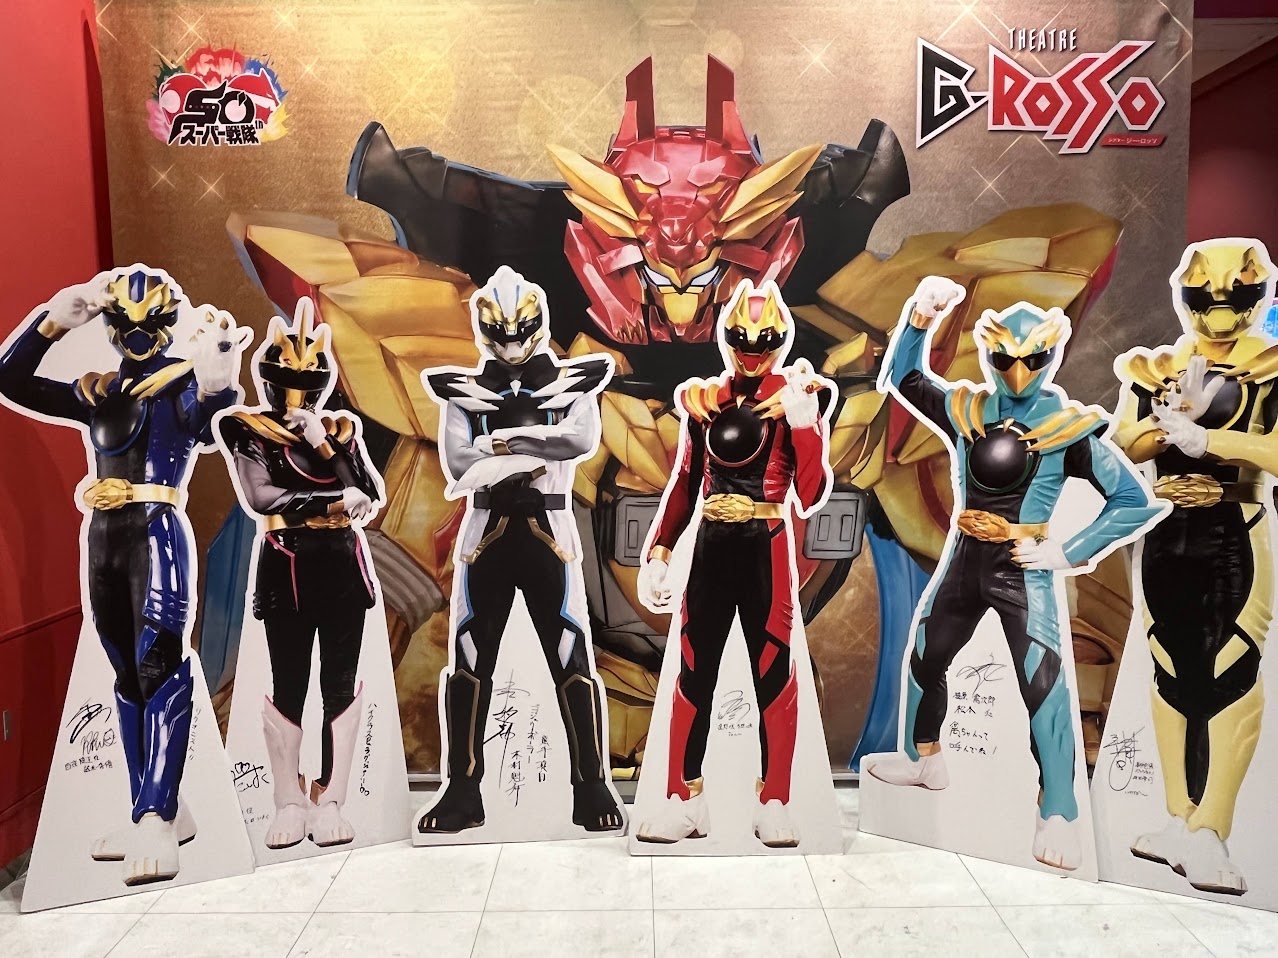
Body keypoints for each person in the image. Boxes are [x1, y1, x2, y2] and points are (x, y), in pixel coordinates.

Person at [868, 277, 1164, 871]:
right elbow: (905, 378)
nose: (1019, 372)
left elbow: (1133, 501)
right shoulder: (971, 410)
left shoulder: (1065, 427)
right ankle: (924, 758)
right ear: (989, 355)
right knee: (925, 653)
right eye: (1005, 359)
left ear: (1052, 356)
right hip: (965, 557)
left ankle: (1059, 809)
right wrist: (920, 315)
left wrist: (1067, 551)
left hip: (1021, 568)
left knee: (1042, 682)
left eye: (1033, 359)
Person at [0, 270, 249, 885]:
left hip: (157, 533)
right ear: (110, 325)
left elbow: (209, 416)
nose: (137, 335)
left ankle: (157, 817)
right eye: (124, 323)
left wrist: (218, 376)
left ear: (167, 325)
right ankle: (153, 807)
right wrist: (52, 322)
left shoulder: (179, 384)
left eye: (149, 324)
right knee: (126, 674)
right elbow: (11, 380)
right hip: (107, 539)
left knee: (159, 663)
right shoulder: (99, 392)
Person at [417, 266, 622, 834]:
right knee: (470, 654)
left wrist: (505, 442)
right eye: (500, 333)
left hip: (548, 527)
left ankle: (591, 785)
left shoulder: (571, 385)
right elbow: (459, 461)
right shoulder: (464, 393)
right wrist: (531, 449)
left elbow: (580, 439)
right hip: (486, 528)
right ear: (485, 332)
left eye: (519, 332)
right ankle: (463, 790)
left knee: (569, 650)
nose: (510, 344)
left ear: (536, 325)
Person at [635, 280, 834, 848]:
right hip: (712, 547)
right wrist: (660, 550)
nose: (752, 351)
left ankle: (774, 801)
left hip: (765, 546)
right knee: (693, 670)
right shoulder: (705, 402)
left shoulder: (796, 398)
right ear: (726, 339)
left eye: (763, 341)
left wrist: (804, 425)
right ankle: (683, 799)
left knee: (772, 670)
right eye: (742, 340)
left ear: (779, 340)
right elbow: (685, 481)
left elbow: (811, 493)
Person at [1114, 239, 1278, 895]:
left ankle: (1212, 829)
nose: (1219, 308)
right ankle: (1180, 820)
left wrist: (1212, 440)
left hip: (1234, 530)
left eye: (1234, 295)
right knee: (1170, 673)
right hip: (1167, 531)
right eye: (1207, 296)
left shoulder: (1270, 366)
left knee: (1231, 671)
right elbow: (1125, 440)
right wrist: (1167, 427)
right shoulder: (1160, 366)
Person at [218, 298, 382, 850]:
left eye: (307, 385)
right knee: (289, 683)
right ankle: (288, 798)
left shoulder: (338, 429)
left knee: (339, 685)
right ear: (269, 380)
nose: (297, 396)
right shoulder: (248, 430)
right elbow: (262, 496)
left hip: (341, 566)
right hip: (286, 564)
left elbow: (369, 491)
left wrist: (321, 441)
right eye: (289, 383)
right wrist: (334, 499)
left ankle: (330, 798)